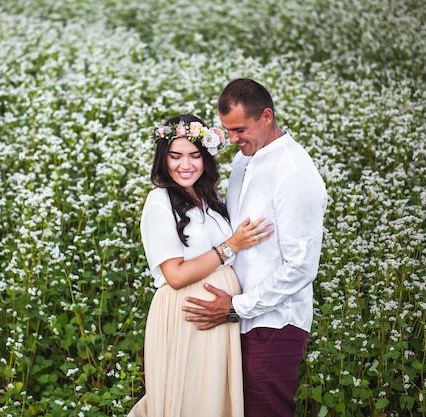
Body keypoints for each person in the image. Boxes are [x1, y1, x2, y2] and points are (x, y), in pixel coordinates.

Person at [182, 79, 328, 417]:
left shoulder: (293, 174)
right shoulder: (244, 161)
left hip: (272, 325)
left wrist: (237, 307)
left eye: (239, 129)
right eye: (226, 131)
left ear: (266, 116)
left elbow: (301, 268)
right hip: (236, 321)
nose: (232, 139)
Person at [128, 113, 273, 417]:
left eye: (195, 155)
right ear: (163, 159)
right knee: (190, 398)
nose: (186, 164)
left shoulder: (210, 198)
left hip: (218, 316)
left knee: (213, 399)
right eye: (175, 156)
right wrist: (230, 246)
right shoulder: (160, 200)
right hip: (187, 314)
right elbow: (175, 275)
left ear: (206, 157)